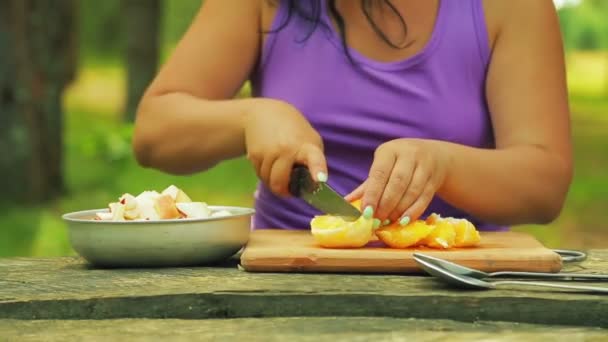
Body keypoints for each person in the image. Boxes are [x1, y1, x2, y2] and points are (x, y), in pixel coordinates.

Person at [132, 0, 572, 232]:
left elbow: (545, 183)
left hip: (460, 286)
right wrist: (251, 117)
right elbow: (154, 130)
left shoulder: (512, 6)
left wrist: (445, 166)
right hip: (287, 279)